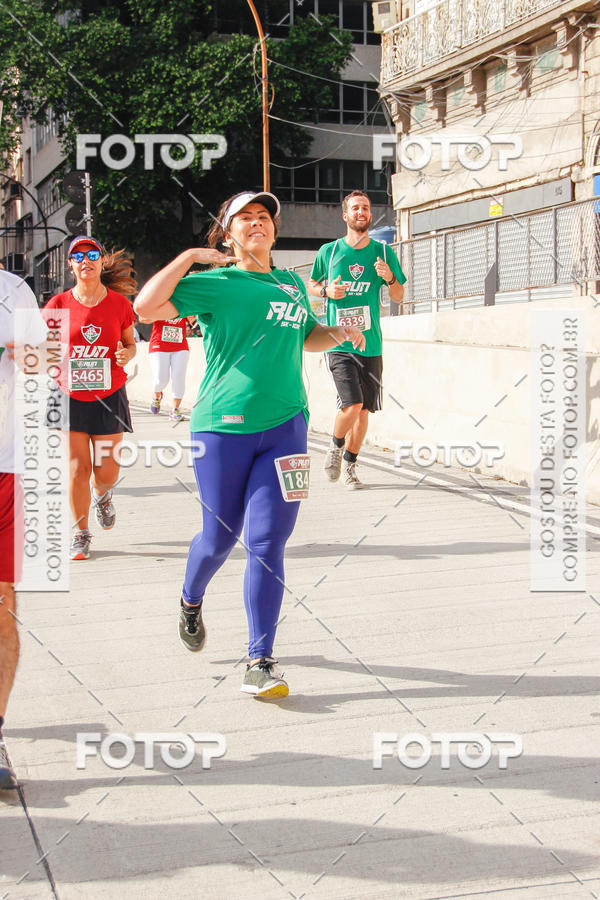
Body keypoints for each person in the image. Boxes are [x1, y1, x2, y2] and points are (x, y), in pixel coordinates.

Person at [134, 190, 365, 699]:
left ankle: (260, 660)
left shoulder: (290, 283)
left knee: (266, 544)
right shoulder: (215, 282)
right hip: (221, 429)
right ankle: (190, 599)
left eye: (265, 217)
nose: (257, 223)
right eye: (246, 218)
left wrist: (340, 332)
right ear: (228, 232)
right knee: (218, 538)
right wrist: (192, 257)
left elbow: (305, 336)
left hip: (286, 429)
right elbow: (146, 307)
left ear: (274, 231)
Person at [42, 236, 137, 560]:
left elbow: (129, 343)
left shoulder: (119, 305)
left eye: (92, 254)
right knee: (76, 469)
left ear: (99, 261)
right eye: (78, 256)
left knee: (106, 471)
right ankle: (81, 533)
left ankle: (104, 495)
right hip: (68, 394)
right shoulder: (57, 305)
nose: (85, 260)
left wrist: (126, 355)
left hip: (109, 395)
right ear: (71, 265)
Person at [308, 190, 406, 489]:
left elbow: (399, 295)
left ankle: (350, 465)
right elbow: (311, 284)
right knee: (352, 405)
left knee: (364, 412)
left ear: (369, 214)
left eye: (365, 207)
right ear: (345, 215)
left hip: (371, 343)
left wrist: (389, 277)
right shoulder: (330, 251)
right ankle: (335, 448)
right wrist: (326, 291)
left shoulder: (384, 252)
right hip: (338, 342)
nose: (361, 212)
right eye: (355, 208)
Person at [0, 269, 47, 789]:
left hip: (5, 469)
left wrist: (25, 355)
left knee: (3, 603)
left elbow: (47, 363)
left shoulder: (14, 291)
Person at [148, 315, 195, 421]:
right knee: (161, 380)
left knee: (179, 377)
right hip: (159, 345)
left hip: (180, 347)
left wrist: (193, 314)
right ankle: (157, 395)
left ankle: (175, 409)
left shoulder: (182, 301)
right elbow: (144, 318)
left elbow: (192, 319)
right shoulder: (159, 302)